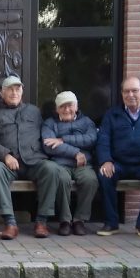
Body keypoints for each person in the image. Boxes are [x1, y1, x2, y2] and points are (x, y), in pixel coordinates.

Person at [0, 76, 58, 239]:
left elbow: (47, 132)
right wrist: (5, 156)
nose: (14, 92)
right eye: (10, 89)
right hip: (9, 163)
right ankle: (10, 223)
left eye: (17, 89)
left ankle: (41, 222)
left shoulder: (34, 111)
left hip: (34, 160)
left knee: (52, 169)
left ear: (22, 92)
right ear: (2, 93)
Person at [95, 76, 140, 237]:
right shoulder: (112, 114)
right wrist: (106, 160)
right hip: (119, 163)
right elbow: (103, 139)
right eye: (126, 91)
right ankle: (111, 223)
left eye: (134, 91)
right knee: (104, 175)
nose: (130, 95)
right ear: (121, 94)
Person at [41, 91, 98, 236]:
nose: (67, 110)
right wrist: (76, 153)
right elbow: (49, 146)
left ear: (76, 106)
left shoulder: (86, 122)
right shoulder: (49, 123)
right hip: (60, 164)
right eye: (62, 106)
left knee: (90, 179)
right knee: (61, 179)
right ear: (56, 109)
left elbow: (92, 139)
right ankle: (65, 220)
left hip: (83, 164)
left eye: (70, 105)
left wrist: (63, 140)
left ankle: (80, 220)